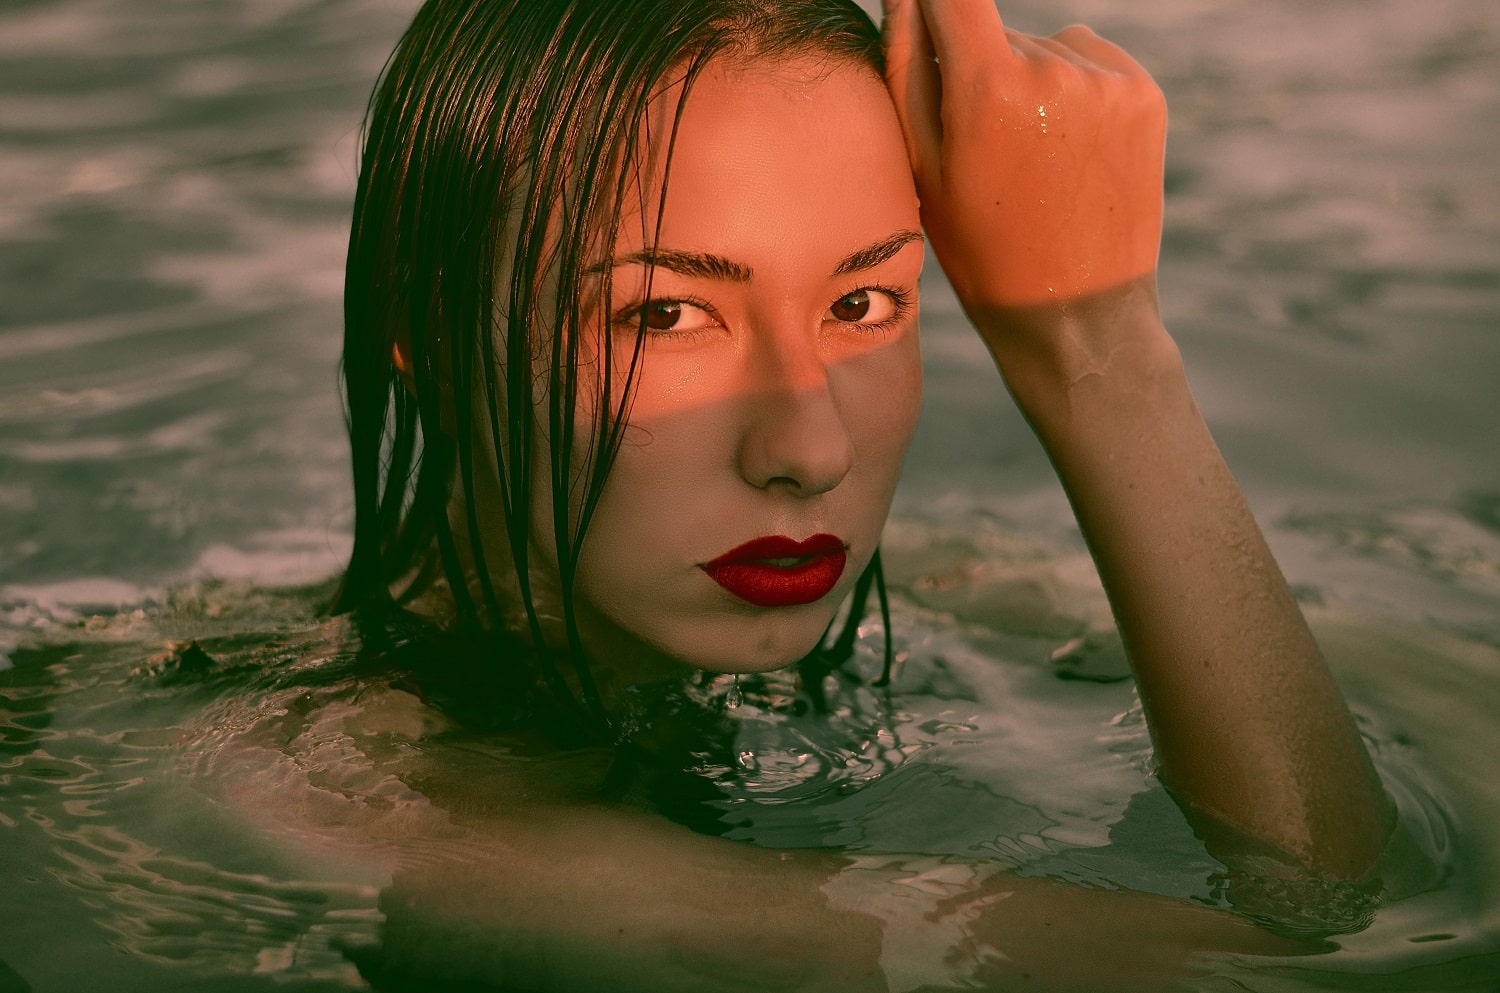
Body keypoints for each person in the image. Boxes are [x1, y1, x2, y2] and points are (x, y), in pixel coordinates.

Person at [308, 0, 1397, 988]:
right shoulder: (380, 808)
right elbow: (1328, 947)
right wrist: (1100, 347)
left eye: (865, 300)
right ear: (433, 331)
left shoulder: (951, 590)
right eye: (664, 315)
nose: (813, 448)